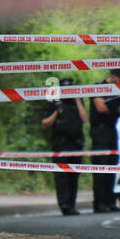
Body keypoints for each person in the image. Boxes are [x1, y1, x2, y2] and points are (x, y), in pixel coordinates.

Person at [40, 76, 86, 215]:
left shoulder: (76, 102)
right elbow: (45, 123)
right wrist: (56, 112)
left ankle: (71, 204)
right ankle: (64, 205)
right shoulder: (54, 102)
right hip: (60, 144)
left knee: (73, 177)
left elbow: (85, 118)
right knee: (61, 177)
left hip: (75, 144)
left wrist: (78, 99)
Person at [90, 68, 120, 213]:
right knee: (101, 167)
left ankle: (110, 201)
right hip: (99, 132)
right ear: (113, 77)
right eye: (119, 81)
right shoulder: (98, 87)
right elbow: (100, 108)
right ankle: (100, 203)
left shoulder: (117, 92)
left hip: (111, 130)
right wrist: (116, 110)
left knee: (111, 166)